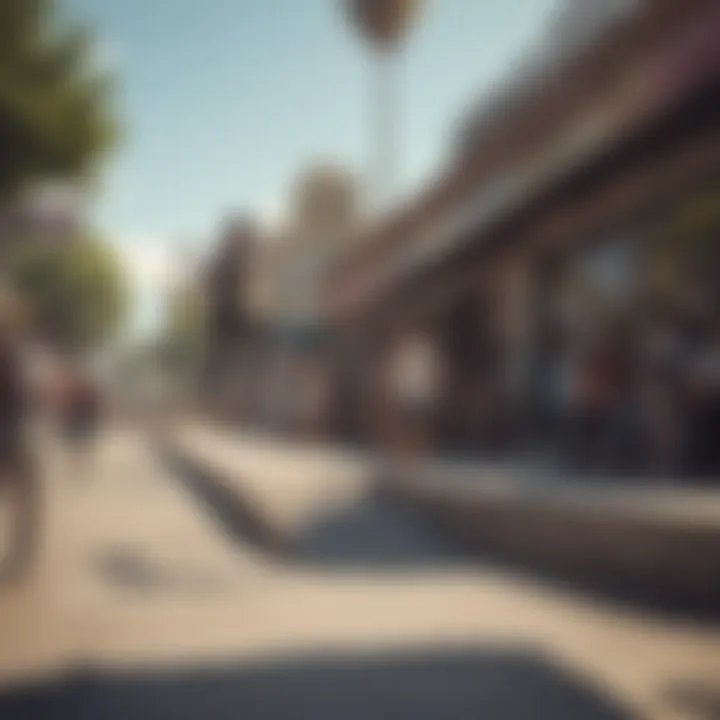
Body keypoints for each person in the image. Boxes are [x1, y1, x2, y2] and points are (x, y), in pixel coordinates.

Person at [0, 285, 39, 581]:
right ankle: (22, 558)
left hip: (12, 431)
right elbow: (23, 394)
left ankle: (23, 557)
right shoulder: (12, 348)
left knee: (24, 497)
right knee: (26, 497)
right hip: (12, 433)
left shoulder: (14, 348)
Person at [58, 362, 102, 484]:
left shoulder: (86, 389)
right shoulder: (69, 390)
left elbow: (94, 405)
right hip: (73, 420)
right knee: (75, 445)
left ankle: (80, 465)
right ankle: (78, 464)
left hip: (82, 420)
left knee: (81, 445)